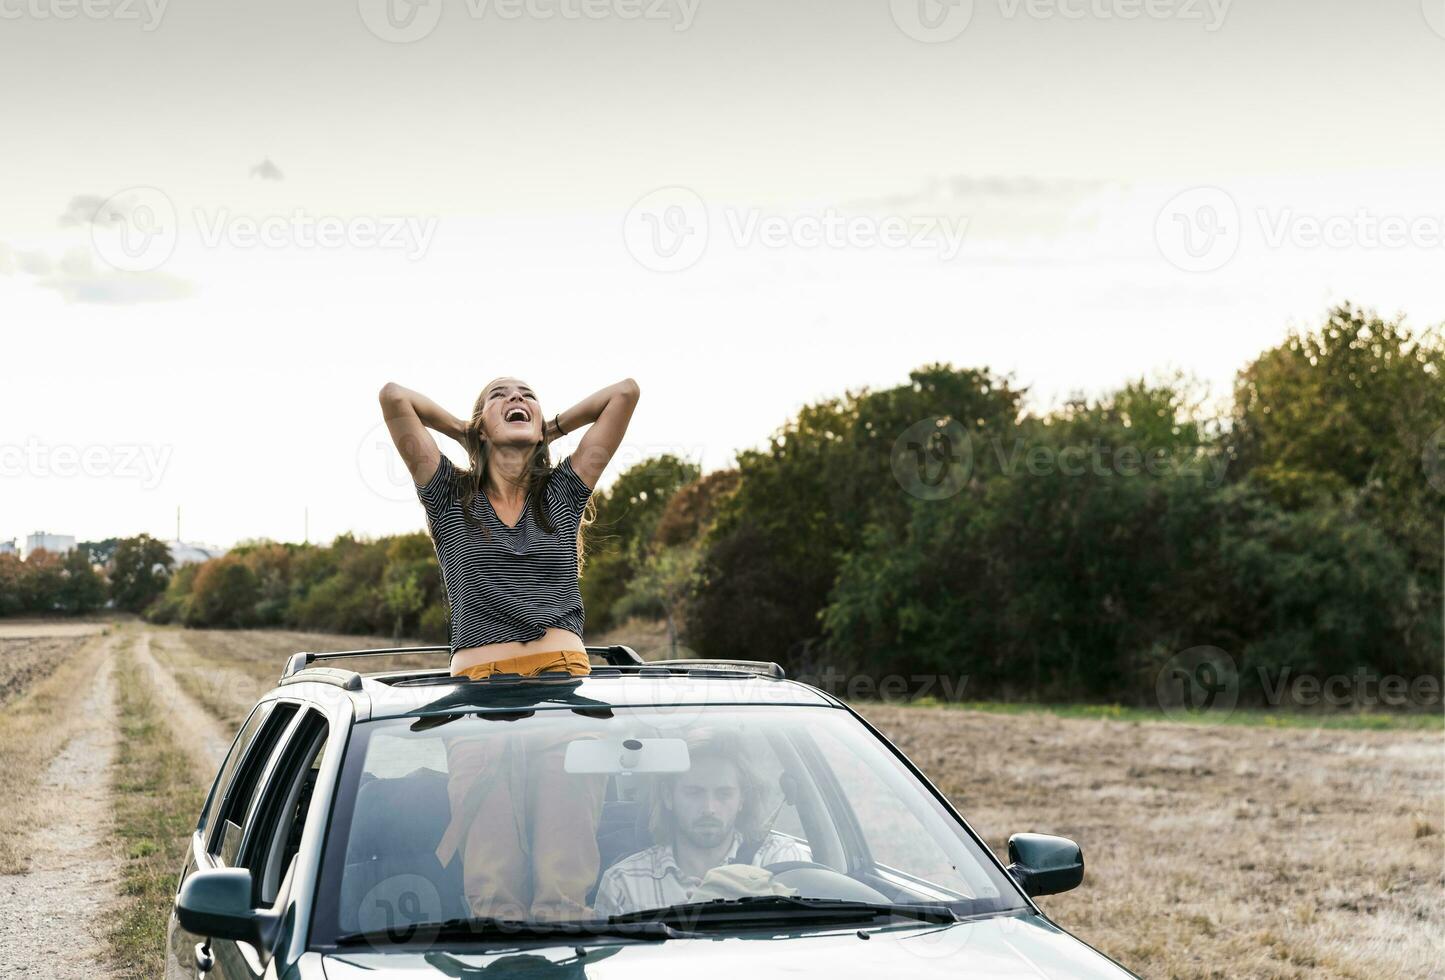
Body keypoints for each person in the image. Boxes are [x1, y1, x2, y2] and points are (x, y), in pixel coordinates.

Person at [378, 376, 640, 923]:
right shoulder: (449, 497)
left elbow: (627, 393)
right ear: (480, 421)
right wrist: (464, 431)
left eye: (527, 393)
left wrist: (553, 427)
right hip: (477, 704)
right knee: (491, 876)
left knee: (563, 878)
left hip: (565, 694)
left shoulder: (563, 493)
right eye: (499, 394)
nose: (516, 398)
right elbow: (393, 397)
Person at [592, 731, 812, 918]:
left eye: (724, 794)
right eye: (694, 792)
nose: (709, 808)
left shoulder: (781, 861)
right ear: (668, 797)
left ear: (742, 799)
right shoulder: (624, 883)